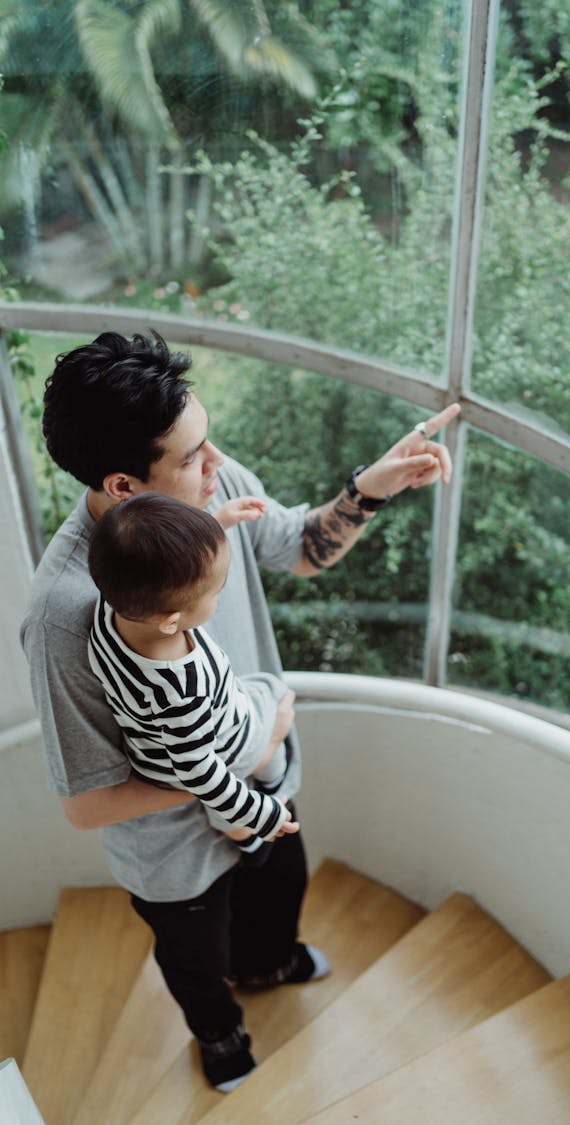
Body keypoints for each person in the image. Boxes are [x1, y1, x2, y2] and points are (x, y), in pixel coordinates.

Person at [21, 330, 459, 1092]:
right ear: (124, 485)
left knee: (279, 893)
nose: (217, 467)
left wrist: (373, 487)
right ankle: (218, 1032)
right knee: (195, 958)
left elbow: (300, 549)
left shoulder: (209, 488)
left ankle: (268, 963)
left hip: (268, 787)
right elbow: (88, 805)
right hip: (173, 853)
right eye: (191, 456)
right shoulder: (65, 614)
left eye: (206, 441)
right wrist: (233, 767)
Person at [87, 491, 300, 862]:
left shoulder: (113, 606)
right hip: (217, 751)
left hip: (156, 754)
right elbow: (200, 772)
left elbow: (159, 564)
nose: (219, 592)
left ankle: (242, 806)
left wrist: (218, 522)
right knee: (275, 693)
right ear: (171, 620)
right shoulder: (180, 691)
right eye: (215, 591)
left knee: (260, 696)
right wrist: (258, 813)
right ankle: (252, 811)